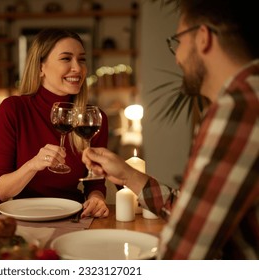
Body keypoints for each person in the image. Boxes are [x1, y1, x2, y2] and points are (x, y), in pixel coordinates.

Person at [82, 0, 258, 259]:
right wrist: (128, 175)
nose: (177, 58)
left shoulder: (237, 109)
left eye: (178, 42)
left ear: (202, 37)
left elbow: (183, 255)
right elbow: (196, 213)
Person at [0, 28, 109, 218]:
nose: (77, 68)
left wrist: (96, 198)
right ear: (40, 67)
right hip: (23, 217)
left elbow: (95, 182)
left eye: (82, 59)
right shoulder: (13, 109)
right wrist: (33, 165)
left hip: (74, 216)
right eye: (66, 58)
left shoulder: (93, 117)